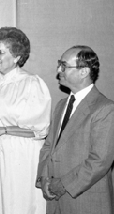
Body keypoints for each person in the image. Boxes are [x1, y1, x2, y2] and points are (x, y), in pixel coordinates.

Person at [0, 27, 51, 214]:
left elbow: (40, 129)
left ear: (16, 57)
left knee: (18, 203)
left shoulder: (31, 83)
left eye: (0, 52)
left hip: (20, 154)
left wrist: (3, 130)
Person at [36, 45, 114, 213]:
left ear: (83, 71)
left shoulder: (105, 108)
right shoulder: (61, 105)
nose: (58, 70)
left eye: (64, 65)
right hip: (56, 201)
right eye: (59, 64)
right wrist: (43, 178)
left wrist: (62, 184)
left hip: (86, 200)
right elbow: (49, 146)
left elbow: (100, 161)